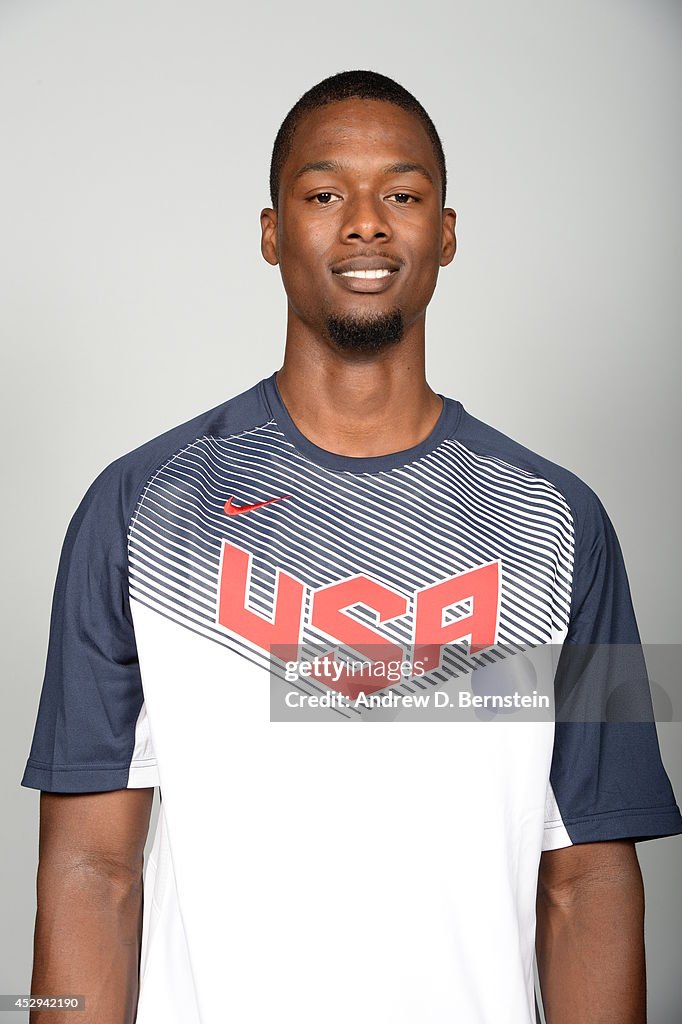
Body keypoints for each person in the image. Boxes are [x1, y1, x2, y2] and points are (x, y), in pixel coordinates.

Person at [21, 70, 681, 1024]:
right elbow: (91, 868)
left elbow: (590, 879)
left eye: (403, 196)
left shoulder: (562, 522)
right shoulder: (138, 508)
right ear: (272, 232)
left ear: (445, 234)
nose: (365, 222)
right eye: (325, 194)